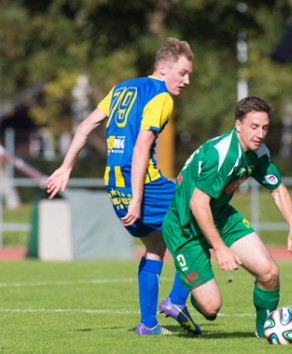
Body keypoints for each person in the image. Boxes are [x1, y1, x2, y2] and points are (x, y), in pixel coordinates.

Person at [45, 38, 201, 336]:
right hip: (142, 183)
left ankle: (149, 325)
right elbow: (142, 145)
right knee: (203, 223)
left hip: (114, 183)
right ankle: (178, 301)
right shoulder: (162, 96)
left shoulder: (121, 88)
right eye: (182, 73)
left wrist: (65, 167)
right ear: (162, 68)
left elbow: (85, 125)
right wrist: (138, 199)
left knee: (156, 246)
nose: (187, 80)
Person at [162, 96, 292, 338]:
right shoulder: (221, 155)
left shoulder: (259, 151)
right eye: (254, 126)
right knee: (211, 308)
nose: (260, 133)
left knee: (270, 272)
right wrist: (219, 248)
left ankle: (266, 331)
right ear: (238, 125)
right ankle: (181, 295)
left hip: (220, 216)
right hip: (183, 225)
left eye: (264, 127)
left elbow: (278, 188)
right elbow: (198, 203)